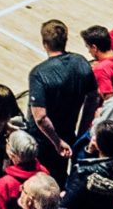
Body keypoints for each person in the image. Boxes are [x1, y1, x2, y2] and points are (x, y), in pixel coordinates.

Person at [27, 20, 98, 179]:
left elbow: (40, 117)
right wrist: (82, 129)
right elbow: (93, 97)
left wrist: (57, 142)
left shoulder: (38, 73)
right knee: (59, 175)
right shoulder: (81, 62)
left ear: (45, 43)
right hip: (68, 132)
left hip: (43, 141)